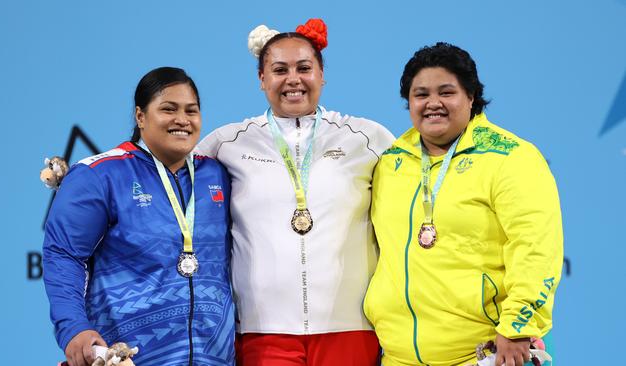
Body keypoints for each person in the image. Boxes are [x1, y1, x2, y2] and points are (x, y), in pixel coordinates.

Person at [195, 19, 395, 366]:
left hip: (351, 329)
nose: (293, 80)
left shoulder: (368, 138)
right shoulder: (225, 143)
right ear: (261, 79)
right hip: (262, 331)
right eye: (279, 69)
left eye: (305, 68)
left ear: (322, 75)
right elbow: (168, 190)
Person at [363, 42, 564, 366]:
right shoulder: (391, 162)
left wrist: (517, 327)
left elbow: (536, 247)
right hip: (399, 357)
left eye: (446, 92)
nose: (433, 104)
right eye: (421, 94)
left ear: (471, 96)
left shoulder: (511, 157)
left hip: (485, 354)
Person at [43, 67, 235, 366]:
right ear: (140, 116)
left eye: (191, 111)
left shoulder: (218, 174)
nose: (182, 120)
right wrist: (73, 329)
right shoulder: (100, 175)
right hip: (129, 358)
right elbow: (64, 255)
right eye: (168, 109)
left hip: (216, 359)